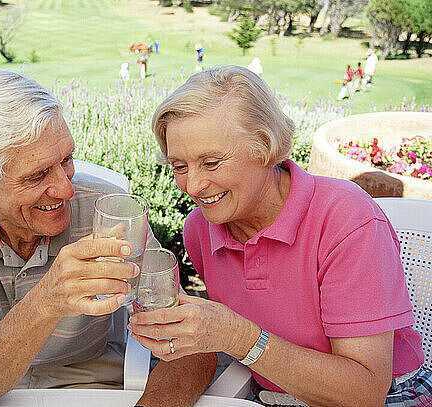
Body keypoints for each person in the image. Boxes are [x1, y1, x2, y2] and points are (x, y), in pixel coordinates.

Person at [128, 65, 431, 406]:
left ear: (265, 147)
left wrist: (235, 335)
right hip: (276, 396)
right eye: (179, 167)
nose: (193, 186)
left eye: (211, 162)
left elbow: (364, 393)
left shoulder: (348, 220)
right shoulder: (200, 229)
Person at [0, 68, 214, 406]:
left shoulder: (107, 212)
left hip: (84, 376)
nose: (66, 189)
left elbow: (193, 349)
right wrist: (47, 301)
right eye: (37, 175)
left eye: (67, 159)